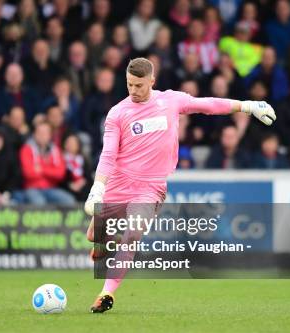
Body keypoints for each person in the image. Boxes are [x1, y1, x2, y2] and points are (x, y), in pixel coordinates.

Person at [83, 57, 276, 313]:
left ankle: (106, 293)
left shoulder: (170, 100)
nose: (134, 91)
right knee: (94, 235)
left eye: (139, 85)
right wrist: (98, 188)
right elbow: (108, 154)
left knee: (132, 235)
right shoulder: (118, 113)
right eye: (129, 85)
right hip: (118, 183)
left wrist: (247, 106)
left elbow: (206, 105)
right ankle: (99, 243)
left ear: (152, 81)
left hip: (149, 188)